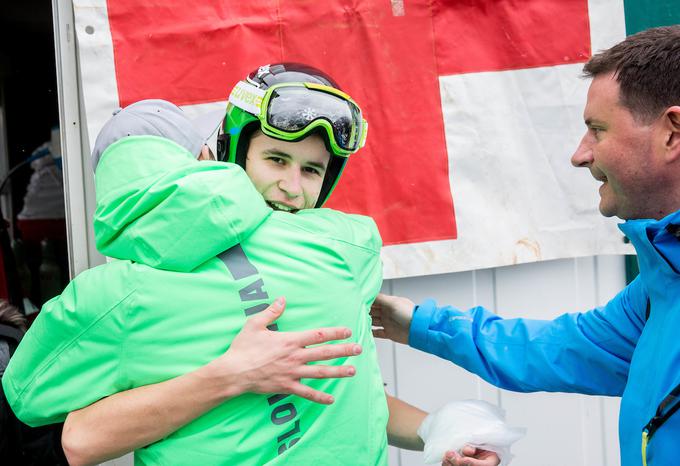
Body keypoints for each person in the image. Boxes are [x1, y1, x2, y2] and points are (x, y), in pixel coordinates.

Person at [4, 65, 498, 466]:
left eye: (310, 169)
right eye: (276, 161)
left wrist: (438, 430)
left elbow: (27, 398)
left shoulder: (110, 296)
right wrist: (227, 375)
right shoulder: (345, 250)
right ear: (215, 158)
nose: (291, 187)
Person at [370, 25, 680, 466]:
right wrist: (418, 323)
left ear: (672, 132)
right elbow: (556, 349)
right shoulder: (660, 286)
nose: (580, 154)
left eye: (597, 129)